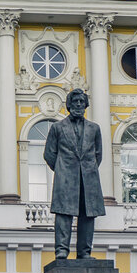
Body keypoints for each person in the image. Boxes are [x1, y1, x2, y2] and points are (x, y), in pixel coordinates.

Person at [43, 88, 105, 259]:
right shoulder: (57, 127)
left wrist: (87, 169)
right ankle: (61, 249)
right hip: (66, 177)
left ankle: (85, 252)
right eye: (75, 101)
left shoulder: (94, 129)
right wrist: (64, 169)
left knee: (88, 214)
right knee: (64, 214)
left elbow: (98, 154)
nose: (79, 104)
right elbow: (49, 153)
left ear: (86, 105)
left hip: (88, 177)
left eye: (81, 102)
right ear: (69, 105)